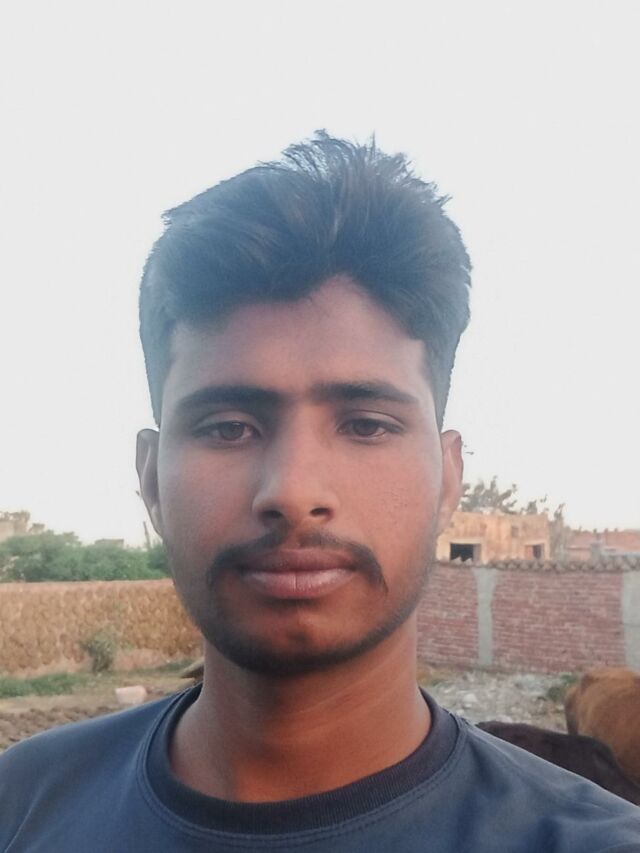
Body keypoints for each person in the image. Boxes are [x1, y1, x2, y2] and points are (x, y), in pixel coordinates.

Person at [1, 133, 639, 852]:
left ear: (448, 476)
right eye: (228, 427)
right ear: (150, 478)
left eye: (366, 425)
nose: (293, 491)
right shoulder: (22, 805)